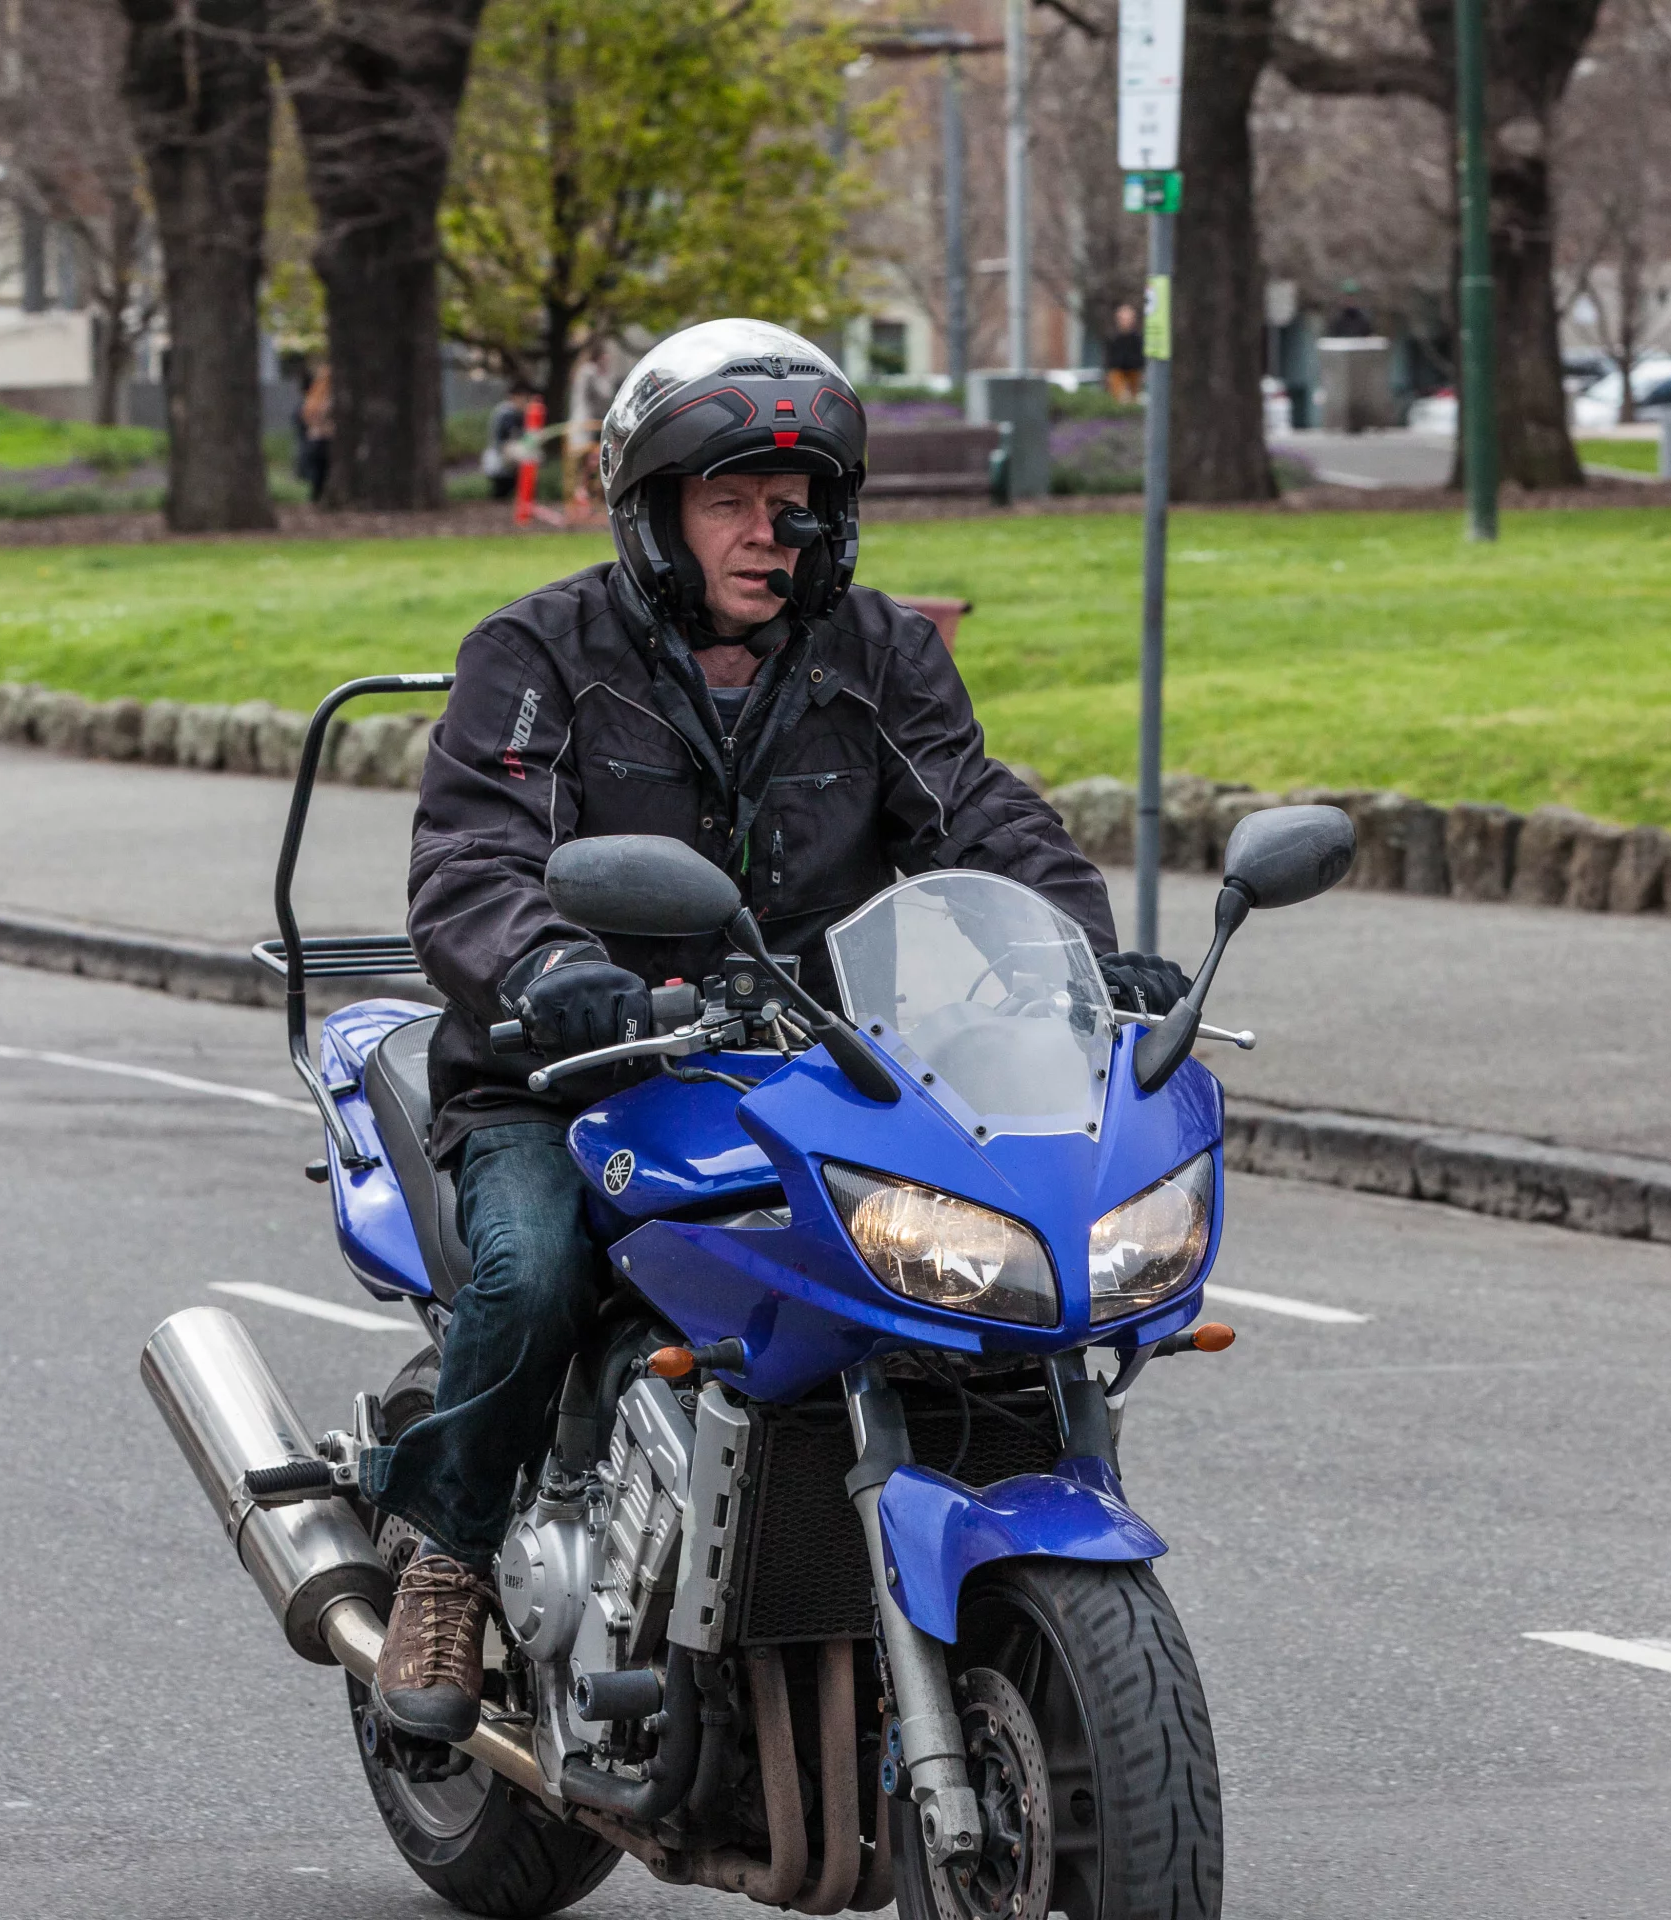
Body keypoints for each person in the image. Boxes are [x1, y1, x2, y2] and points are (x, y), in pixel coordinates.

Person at [362, 317, 1191, 1740]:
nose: (767, 535)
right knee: (537, 1268)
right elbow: (471, 865)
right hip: (562, 1074)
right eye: (729, 503)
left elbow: (979, 817)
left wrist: (1088, 958)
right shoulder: (537, 653)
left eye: (792, 508)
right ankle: (446, 1552)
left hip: (814, 1062)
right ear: (656, 514)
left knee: (969, 1273)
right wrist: (550, 962)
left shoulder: (879, 656)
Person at [300, 361, 335, 503]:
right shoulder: (319, 395)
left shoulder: (316, 394)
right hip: (321, 438)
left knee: (321, 472)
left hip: (318, 437)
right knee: (320, 472)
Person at [1103, 302, 1146, 404]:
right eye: (1123, 318)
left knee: (1133, 399)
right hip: (1117, 372)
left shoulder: (1137, 339)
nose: (1126, 322)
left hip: (1134, 372)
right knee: (1121, 398)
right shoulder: (1113, 338)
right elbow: (1109, 360)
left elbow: (1140, 358)